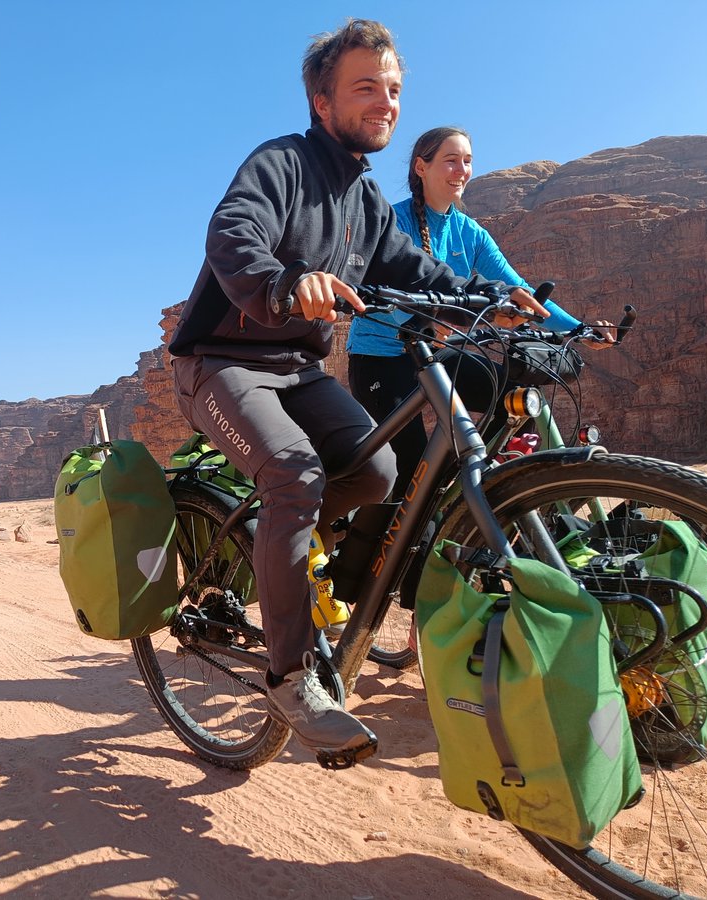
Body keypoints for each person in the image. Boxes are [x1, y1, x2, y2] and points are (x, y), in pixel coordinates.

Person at [168, 22, 547, 763]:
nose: (386, 101)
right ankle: (288, 674)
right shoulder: (281, 162)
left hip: (299, 368)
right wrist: (284, 283)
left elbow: (415, 272)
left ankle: (281, 545)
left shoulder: (365, 199)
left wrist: (490, 297)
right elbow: (233, 230)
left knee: (375, 471)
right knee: (296, 473)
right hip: (222, 361)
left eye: (394, 89)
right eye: (366, 87)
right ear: (321, 99)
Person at [347, 126, 613, 496]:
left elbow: (519, 292)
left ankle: (465, 494)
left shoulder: (471, 233)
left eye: (468, 161)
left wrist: (578, 329)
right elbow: (373, 292)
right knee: (407, 470)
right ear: (421, 168)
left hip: (435, 354)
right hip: (381, 359)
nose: (462, 170)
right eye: (451, 161)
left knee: (516, 402)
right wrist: (418, 319)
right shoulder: (394, 221)